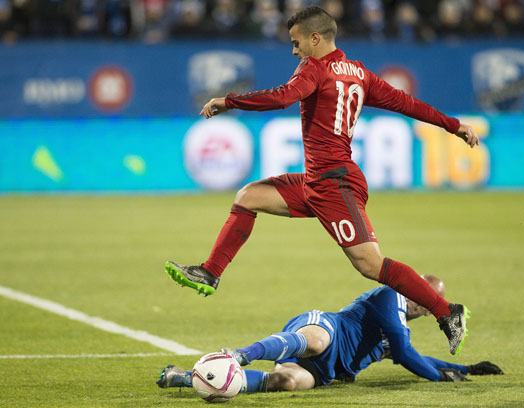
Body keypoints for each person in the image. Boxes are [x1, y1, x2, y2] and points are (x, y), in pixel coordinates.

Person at [165, 5, 480, 355]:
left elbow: (283, 97)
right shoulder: (358, 73)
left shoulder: (315, 69)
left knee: (370, 265)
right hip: (318, 180)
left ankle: (446, 312)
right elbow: (406, 103)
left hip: (335, 184)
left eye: (297, 42)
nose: (294, 50)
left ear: (315, 39)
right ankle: (210, 272)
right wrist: (454, 124)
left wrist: (230, 101)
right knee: (249, 196)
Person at [156, 275, 503, 393]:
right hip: (326, 329)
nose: (426, 302)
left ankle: (187, 379)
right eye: (425, 293)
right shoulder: (389, 296)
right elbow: (404, 353)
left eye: (431, 300)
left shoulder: (402, 328)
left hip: (325, 371)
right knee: (317, 340)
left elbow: (411, 355)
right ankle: (241, 354)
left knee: (287, 384)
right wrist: (441, 380)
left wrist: (466, 368)